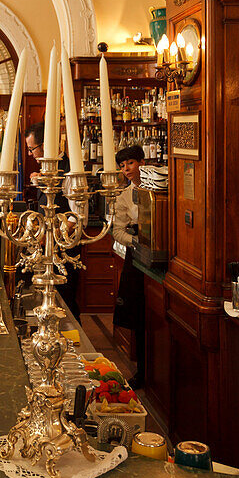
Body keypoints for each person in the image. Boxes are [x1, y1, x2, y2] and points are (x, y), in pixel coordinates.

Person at [24, 121, 81, 320]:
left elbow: (77, 215)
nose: (30, 154)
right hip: (47, 247)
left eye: (32, 149)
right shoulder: (47, 170)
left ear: (45, 145)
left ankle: (77, 344)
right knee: (48, 301)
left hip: (64, 249)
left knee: (65, 302)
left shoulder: (71, 169)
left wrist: (51, 237)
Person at [112, 144, 146, 389]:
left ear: (142, 162)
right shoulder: (124, 196)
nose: (127, 170)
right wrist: (136, 241)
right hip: (138, 258)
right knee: (139, 316)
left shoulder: (162, 184)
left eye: (130, 164)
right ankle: (143, 371)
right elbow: (117, 231)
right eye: (123, 166)